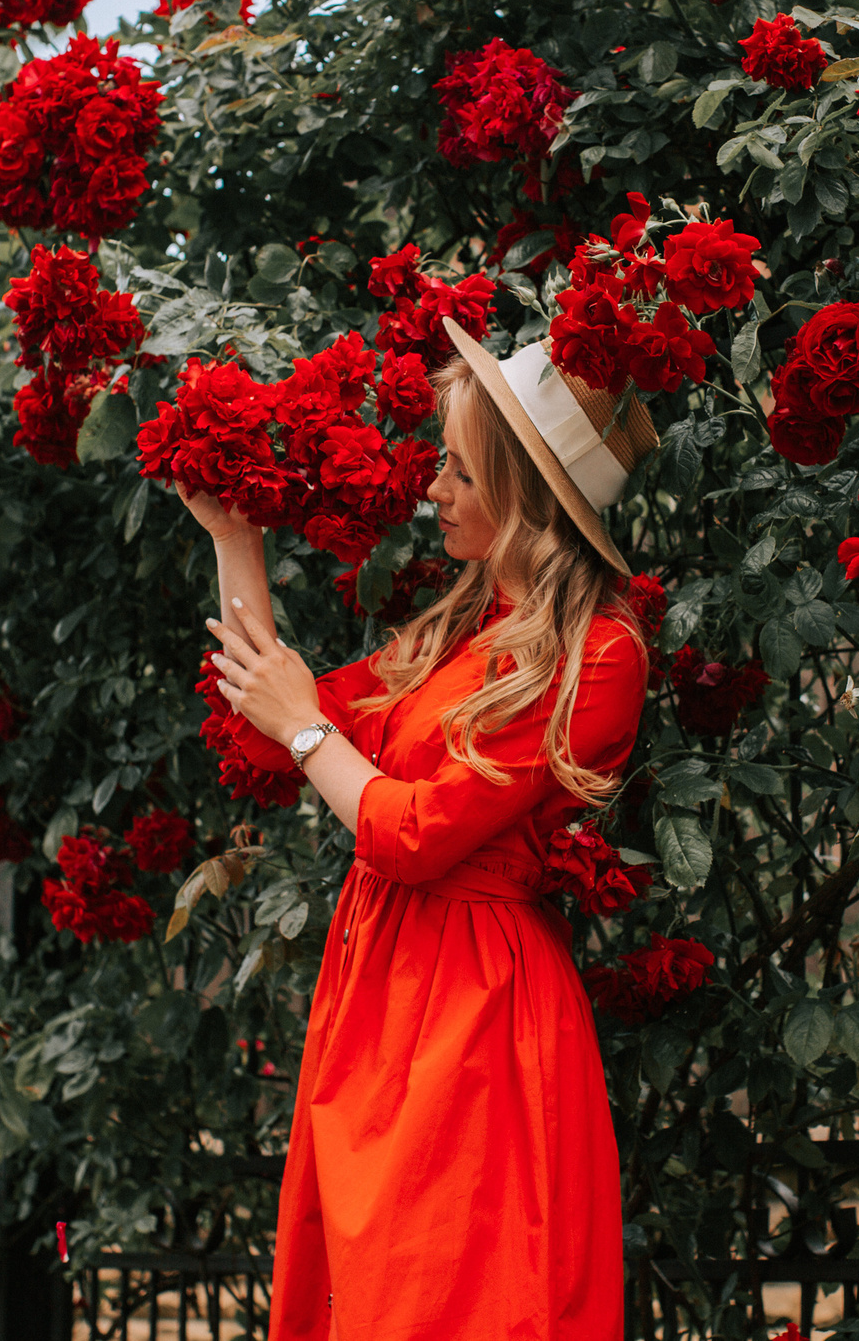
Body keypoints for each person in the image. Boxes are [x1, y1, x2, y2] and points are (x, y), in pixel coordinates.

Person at [184, 316, 658, 1341]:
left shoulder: (597, 653)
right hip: (388, 994)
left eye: (459, 472)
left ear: (525, 497)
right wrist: (235, 541)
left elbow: (407, 829)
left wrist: (307, 727)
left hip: (477, 1017)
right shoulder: (464, 626)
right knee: (367, 1294)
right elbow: (271, 729)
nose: (433, 490)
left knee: (451, 1298)